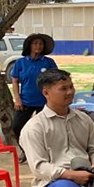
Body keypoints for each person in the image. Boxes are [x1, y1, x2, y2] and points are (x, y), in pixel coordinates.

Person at [11, 33, 57, 163]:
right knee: (17, 126)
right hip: (25, 101)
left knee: (46, 129)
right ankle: (25, 150)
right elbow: (15, 81)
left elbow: (55, 81)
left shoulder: (49, 62)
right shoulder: (20, 63)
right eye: (35, 43)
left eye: (41, 44)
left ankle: (45, 155)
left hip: (44, 102)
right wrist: (17, 99)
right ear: (29, 46)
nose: (38, 46)